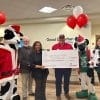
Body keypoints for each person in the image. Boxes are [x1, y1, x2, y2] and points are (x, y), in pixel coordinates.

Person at [52, 34, 73, 100]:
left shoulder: (69, 46)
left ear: (64, 39)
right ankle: (58, 95)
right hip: (58, 69)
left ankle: (66, 93)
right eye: (60, 38)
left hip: (67, 68)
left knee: (67, 81)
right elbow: (52, 56)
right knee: (58, 82)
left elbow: (72, 56)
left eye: (62, 38)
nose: (61, 40)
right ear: (58, 39)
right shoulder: (54, 46)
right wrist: (52, 64)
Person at [18, 36, 34, 100]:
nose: (26, 42)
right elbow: (20, 59)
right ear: (23, 41)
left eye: (27, 41)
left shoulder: (32, 48)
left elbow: (34, 57)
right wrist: (28, 64)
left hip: (32, 69)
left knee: (31, 82)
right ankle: (24, 95)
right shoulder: (20, 49)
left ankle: (30, 92)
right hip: (24, 69)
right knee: (24, 83)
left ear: (29, 41)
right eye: (25, 41)